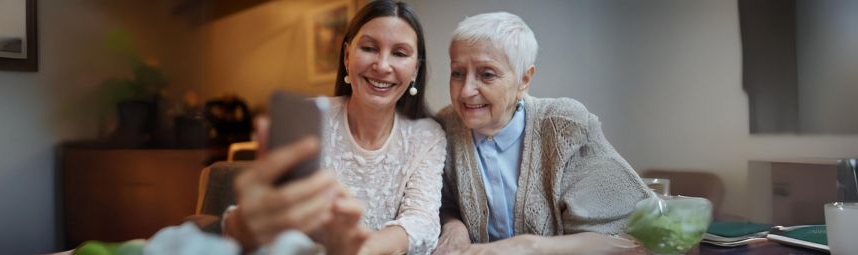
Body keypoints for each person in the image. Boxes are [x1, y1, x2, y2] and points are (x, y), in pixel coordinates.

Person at [224, 1, 446, 254]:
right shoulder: (309, 120)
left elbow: (421, 222)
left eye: (399, 53)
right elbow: (256, 214)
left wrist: (357, 250)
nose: (383, 66)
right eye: (370, 48)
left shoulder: (428, 136)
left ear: (415, 69)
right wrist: (243, 225)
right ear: (347, 55)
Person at [434, 12, 654, 254]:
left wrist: (528, 246)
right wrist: (453, 225)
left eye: (487, 74)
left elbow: (630, 234)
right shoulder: (444, 126)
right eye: (457, 73)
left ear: (524, 80)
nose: (466, 91)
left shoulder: (565, 125)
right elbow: (441, 203)